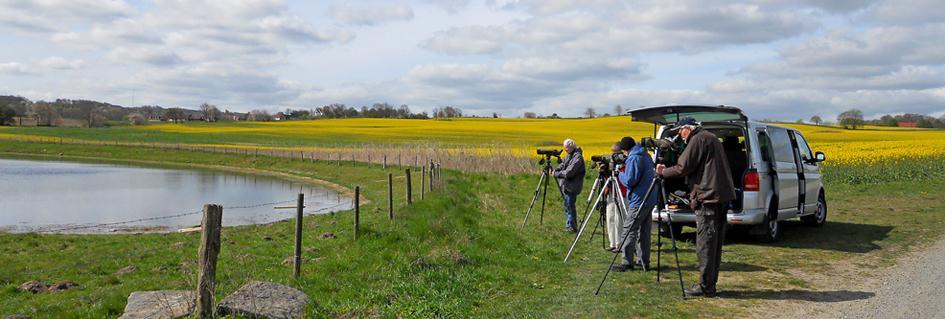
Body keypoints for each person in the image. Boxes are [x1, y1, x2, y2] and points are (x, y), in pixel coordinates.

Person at [656, 117, 736, 297]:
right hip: (720, 196)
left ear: (687, 128)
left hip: (708, 197)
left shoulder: (698, 139)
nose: (679, 134)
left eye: (680, 131)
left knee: (705, 243)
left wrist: (663, 172)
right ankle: (709, 284)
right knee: (714, 243)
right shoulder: (710, 137)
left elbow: (682, 167)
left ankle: (706, 286)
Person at [613, 136, 656, 272]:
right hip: (650, 198)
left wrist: (619, 173)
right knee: (645, 231)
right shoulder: (645, 154)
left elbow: (630, 180)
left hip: (639, 200)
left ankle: (627, 262)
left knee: (629, 229)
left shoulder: (634, 158)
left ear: (625, 150)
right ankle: (643, 261)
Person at [552, 139, 585, 232]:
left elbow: (569, 172)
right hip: (567, 185)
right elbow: (563, 165)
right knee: (567, 205)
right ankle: (569, 225)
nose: (565, 150)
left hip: (573, 185)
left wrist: (557, 174)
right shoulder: (569, 155)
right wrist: (556, 170)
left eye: (566, 148)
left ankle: (572, 227)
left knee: (570, 205)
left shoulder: (578, 157)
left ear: (572, 147)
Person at [604, 143, 628, 252]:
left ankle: (620, 243)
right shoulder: (612, 163)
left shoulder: (626, 163)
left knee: (620, 219)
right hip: (611, 192)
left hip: (621, 193)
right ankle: (612, 242)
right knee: (610, 217)